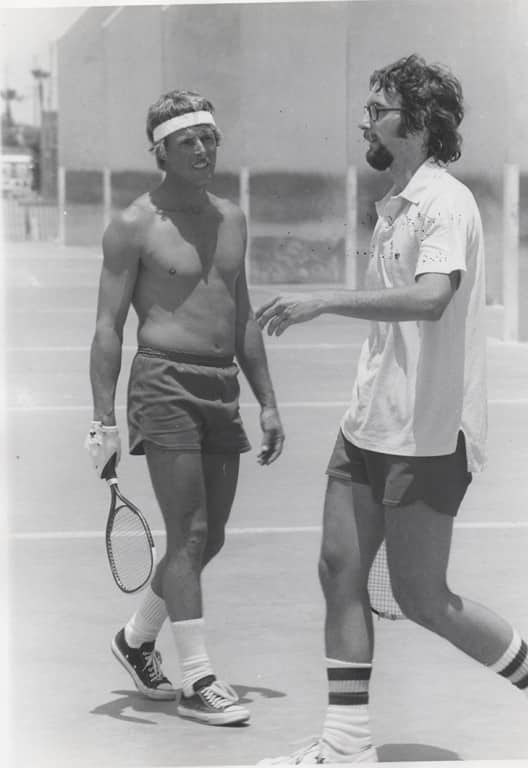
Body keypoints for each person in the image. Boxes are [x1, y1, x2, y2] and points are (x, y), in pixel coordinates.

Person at [256, 54, 528, 762]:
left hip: (428, 433)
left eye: (378, 109)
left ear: (416, 123)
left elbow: (431, 297)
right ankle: (345, 742)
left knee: (424, 599)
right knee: (338, 569)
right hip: (367, 425)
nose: (366, 120)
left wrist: (325, 301)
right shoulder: (395, 204)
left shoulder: (444, 202)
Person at [85, 89, 284, 726]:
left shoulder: (233, 218)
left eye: (209, 138)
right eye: (187, 142)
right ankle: (199, 681)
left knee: (208, 538)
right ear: (162, 152)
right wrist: (102, 419)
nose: (202, 150)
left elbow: (243, 315)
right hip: (162, 383)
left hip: (220, 386)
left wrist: (268, 401)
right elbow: (108, 327)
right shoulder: (133, 225)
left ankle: (136, 639)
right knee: (190, 533)